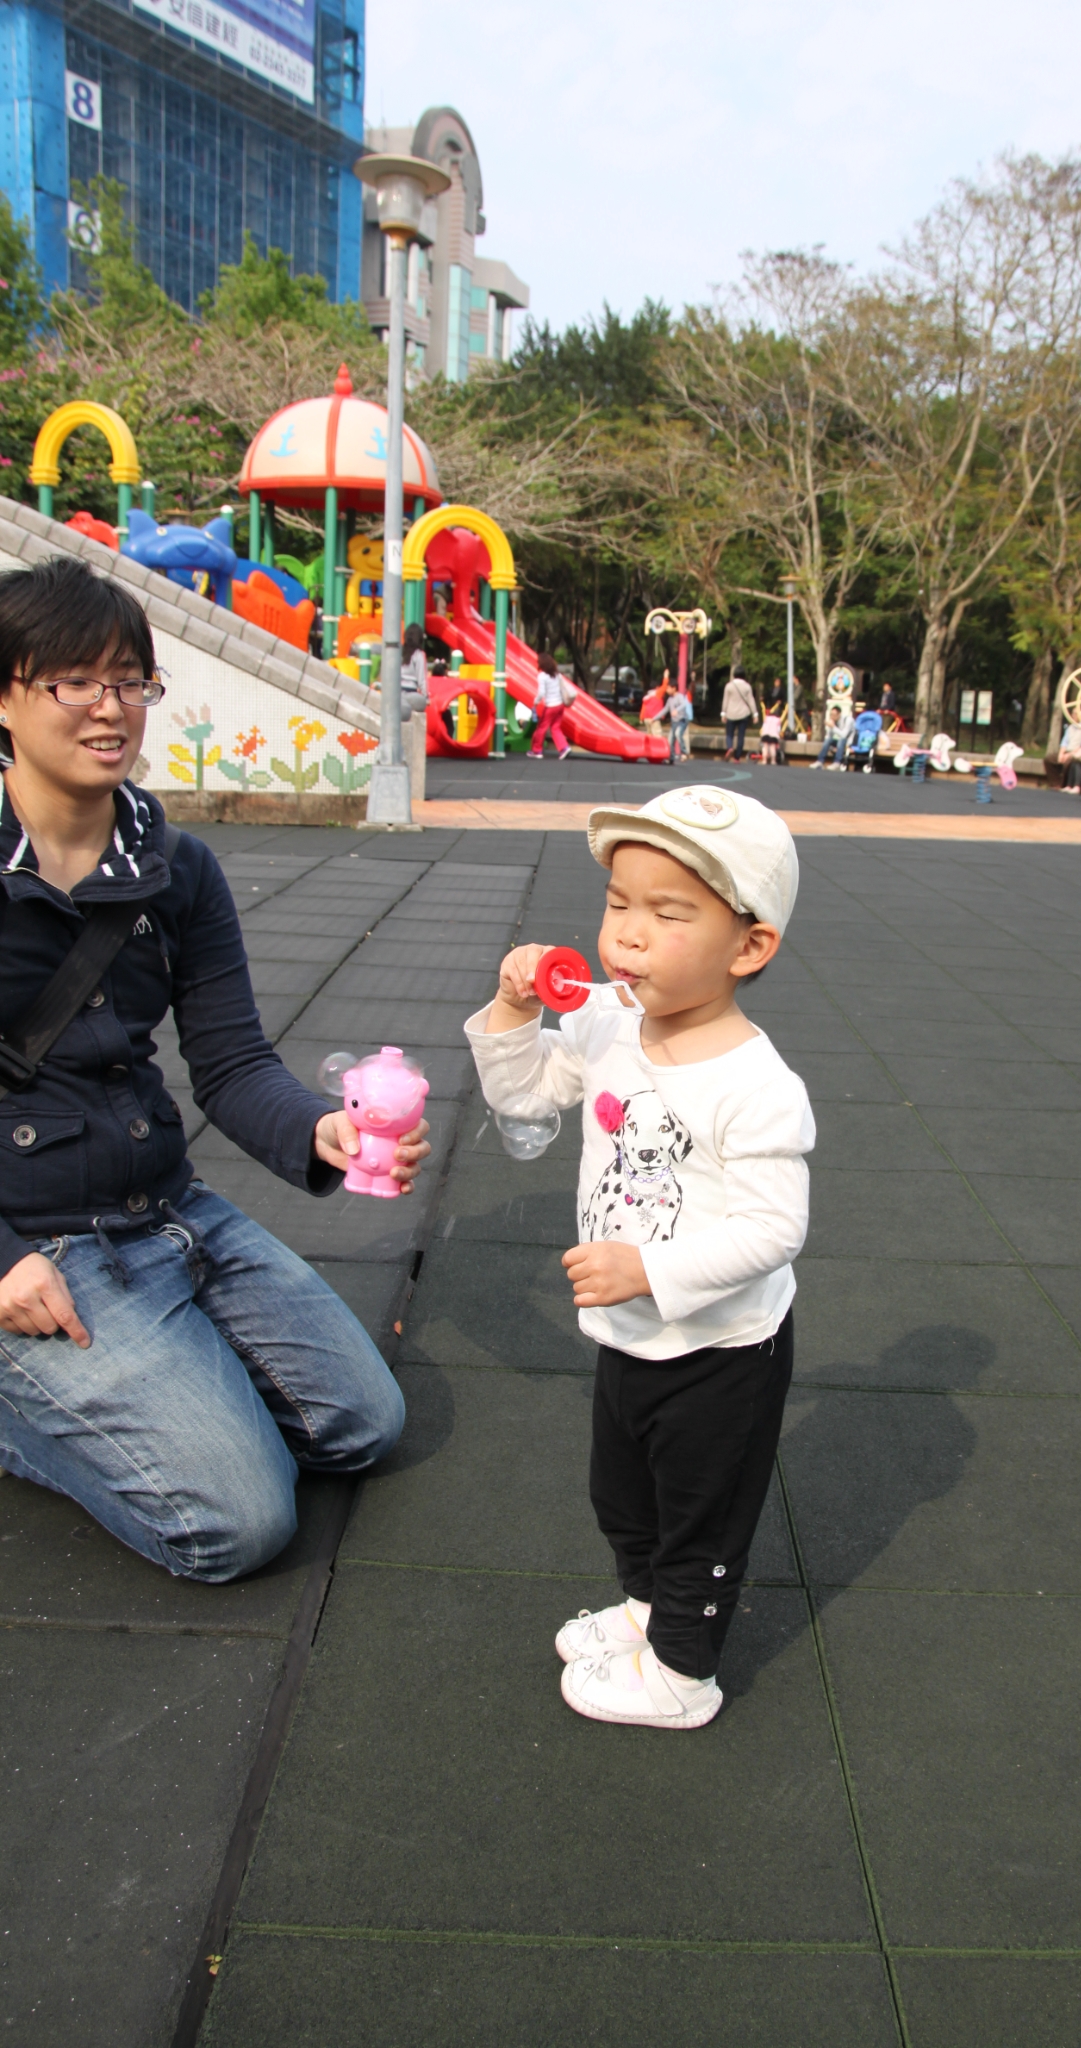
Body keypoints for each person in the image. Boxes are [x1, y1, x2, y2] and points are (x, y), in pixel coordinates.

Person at [0, 557, 427, 1582]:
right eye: (75, 680)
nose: (111, 708)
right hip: (35, 1246)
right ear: (5, 699)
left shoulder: (176, 867)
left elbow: (232, 1061)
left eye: (131, 681)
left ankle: (161, 1373)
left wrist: (319, 1129)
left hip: (167, 1210)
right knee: (237, 1523)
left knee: (361, 1425)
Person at [467, 787, 814, 1730]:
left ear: (747, 947)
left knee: (701, 1517)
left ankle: (682, 1676)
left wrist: (649, 1273)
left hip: (720, 1349)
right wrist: (512, 1011)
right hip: (628, 1331)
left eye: (668, 914)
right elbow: (526, 1098)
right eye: (618, 903)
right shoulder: (607, 1021)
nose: (627, 933)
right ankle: (645, 1606)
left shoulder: (755, 1086)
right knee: (623, 1495)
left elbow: (774, 1230)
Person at [530, 648, 575, 761]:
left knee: (541, 728)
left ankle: (537, 750)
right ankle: (564, 748)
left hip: (550, 705)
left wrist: (535, 702)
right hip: (560, 705)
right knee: (555, 727)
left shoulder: (542, 676)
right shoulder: (556, 674)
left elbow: (541, 692)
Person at [721, 668, 759, 760]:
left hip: (731, 713)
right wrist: (755, 714)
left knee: (729, 734)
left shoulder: (729, 686)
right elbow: (751, 700)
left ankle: (730, 747)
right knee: (741, 736)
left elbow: (725, 700)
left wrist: (723, 713)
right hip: (743, 713)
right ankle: (737, 757)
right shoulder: (747, 686)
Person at [400, 622, 430, 722]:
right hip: (411, 694)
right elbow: (422, 679)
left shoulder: (399, 652)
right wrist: (426, 696)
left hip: (397, 693)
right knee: (422, 702)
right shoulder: (419, 654)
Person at [814, 702, 855, 770]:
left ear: (839, 714)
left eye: (834, 715)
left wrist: (833, 727)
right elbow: (829, 736)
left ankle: (837, 762)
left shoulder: (848, 720)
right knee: (828, 740)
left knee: (841, 740)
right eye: (831, 714)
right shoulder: (834, 721)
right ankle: (820, 761)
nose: (832, 716)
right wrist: (830, 727)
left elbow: (844, 735)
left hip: (848, 743)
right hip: (839, 742)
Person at [1058, 721, 1081, 792]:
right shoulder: (1070, 727)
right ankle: (1067, 785)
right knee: (1050, 759)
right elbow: (1064, 743)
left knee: (1075, 761)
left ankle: (1076, 786)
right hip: (1072, 751)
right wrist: (1061, 754)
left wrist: (1072, 754)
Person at [666, 682, 693, 764]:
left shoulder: (679, 696)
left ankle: (684, 752)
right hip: (674, 721)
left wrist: (676, 710)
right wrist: (654, 718)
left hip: (682, 720)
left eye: (668, 688)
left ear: (674, 688)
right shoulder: (670, 699)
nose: (667, 690)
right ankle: (671, 758)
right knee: (670, 739)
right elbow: (665, 709)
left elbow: (684, 704)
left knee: (678, 733)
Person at [759, 698, 783, 765]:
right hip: (774, 735)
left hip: (765, 734)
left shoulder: (766, 718)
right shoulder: (778, 720)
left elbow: (763, 727)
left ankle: (764, 760)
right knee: (772, 747)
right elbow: (778, 730)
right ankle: (773, 760)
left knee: (765, 747)